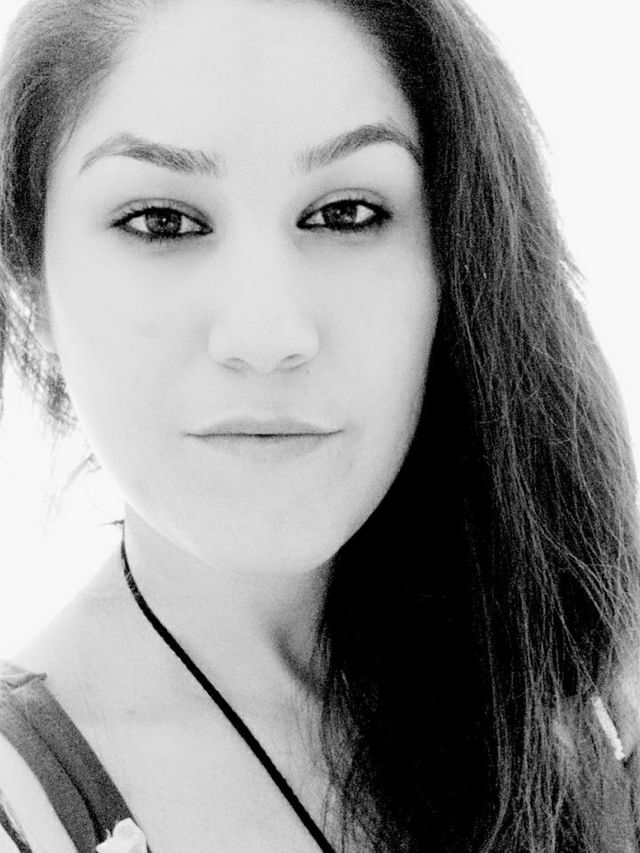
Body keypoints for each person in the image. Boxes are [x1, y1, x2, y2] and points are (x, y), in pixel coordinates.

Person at [0, 0, 638, 850]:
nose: (268, 336)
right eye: (162, 221)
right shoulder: (26, 802)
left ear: (459, 259)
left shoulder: (585, 694)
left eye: (346, 214)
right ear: (33, 280)